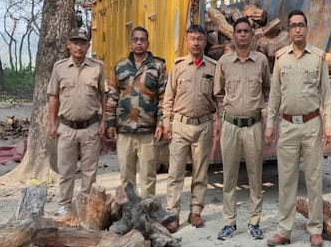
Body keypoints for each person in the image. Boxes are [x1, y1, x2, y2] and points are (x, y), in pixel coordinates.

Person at [265, 10, 331, 247]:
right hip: (287, 126)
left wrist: (329, 124)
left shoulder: (318, 58)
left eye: (301, 25)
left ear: (306, 28)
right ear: (289, 30)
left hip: (312, 125)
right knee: (286, 180)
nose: (297, 29)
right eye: (293, 25)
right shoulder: (281, 58)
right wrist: (270, 124)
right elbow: (274, 95)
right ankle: (284, 230)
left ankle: (315, 229)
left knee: (314, 179)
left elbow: (326, 94)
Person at [213, 17, 271, 241]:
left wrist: (263, 112)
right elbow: (218, 93)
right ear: (234, 35)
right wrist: (222, 115)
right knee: (229, 176)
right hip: (230, 125)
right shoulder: (224, 62)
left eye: (247, 31)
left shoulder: (261, 61)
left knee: (255, 176)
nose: (243, 35)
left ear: (252, 35)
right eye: (239, 31)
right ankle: (229, 222)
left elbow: (267, 89)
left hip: (253, 126)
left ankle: (254, 222)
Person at [162, 24, 218, 232]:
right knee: (175, 173)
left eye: (199, 39)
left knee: (200, 172)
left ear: (205, 42)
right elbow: (168, 97)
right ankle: (172, 213)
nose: (196, 43)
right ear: (187, 41)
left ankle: (196, 211)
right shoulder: (178, 66)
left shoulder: (213, 68)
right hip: (180, 125)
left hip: (203, 125)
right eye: (192, 39)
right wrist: (166, 122)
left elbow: (219, 98)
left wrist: (218, 123)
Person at [47, 26, 108, 216]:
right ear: (68, 45)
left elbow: (103, 95)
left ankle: (85, 205)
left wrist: (104, 120)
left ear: (88, 45)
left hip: (91, 126)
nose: (79, 47)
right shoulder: (59, 68)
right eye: (75, 43)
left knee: (89, 171)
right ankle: (65, 204)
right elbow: (53, 96)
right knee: (66, 170)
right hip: (66, 127)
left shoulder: (97, 68)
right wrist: (52, 123)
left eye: (83, 43)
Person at [105, 26, 168, 199]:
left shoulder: (157, 66)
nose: (139, 43)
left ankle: (148, 209)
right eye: (135, 39)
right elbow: (113, 95)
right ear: (131, 43)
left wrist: (161, 123)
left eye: (142, 40)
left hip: (148, 130)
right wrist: (110, 122)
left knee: (148, 176)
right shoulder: (120, 67)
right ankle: (128, 209)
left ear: (148, 43)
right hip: (124, 130)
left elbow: (163, 97)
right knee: (126, 178)